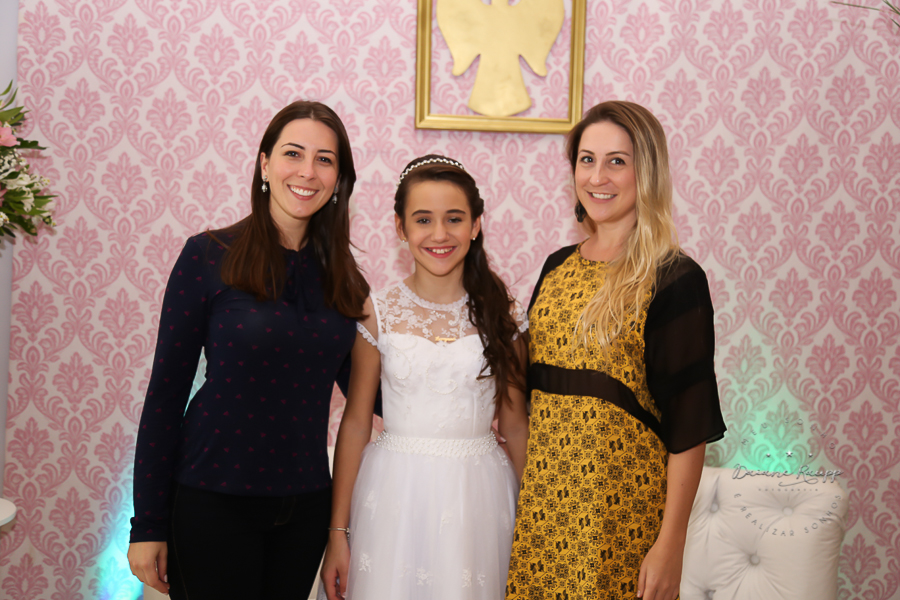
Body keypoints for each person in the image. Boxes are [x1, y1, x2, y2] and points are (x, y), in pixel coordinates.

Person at [127, 100, 370, 600]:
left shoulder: (344, 280)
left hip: (305, 508)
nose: (307, 171)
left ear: (338, 179)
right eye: (293, 153)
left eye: (325, 159)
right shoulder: (207, 255)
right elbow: (166, 395)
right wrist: (147, 523)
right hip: (212, 499)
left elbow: (369, 397)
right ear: (264, 164)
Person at [505, 101, 727, 600]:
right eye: (587, 160)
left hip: (620, 517)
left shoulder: (674, 277)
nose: (597, 177)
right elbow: (528, 389)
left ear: (646, 172)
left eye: (617, 162)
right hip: (543, 513)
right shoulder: (556, 266)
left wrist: (670, 545)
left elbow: (689, 426)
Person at [320, 155, 530, 600]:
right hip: (396, 493)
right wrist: (338, 530)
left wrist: (537, 519)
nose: (439, 234)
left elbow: (515, 425)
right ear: (400, 227)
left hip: (480, 495)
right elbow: (356, 423)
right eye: (423, 220)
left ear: (475, 225)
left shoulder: (503, 315)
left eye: (454, 218)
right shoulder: (377, 311)